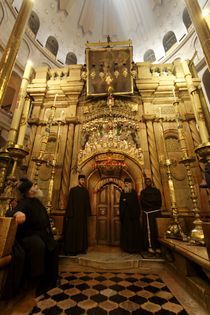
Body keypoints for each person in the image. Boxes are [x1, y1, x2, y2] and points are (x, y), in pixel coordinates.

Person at [5, 178, 59, 296]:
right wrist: (16, 213)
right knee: (38, 246)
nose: (37, 186)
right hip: (29, 235)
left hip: (41, 234)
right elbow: (8, 213)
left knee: (53, 245)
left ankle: (50, 279)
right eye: (34, 185)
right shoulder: (24, 203)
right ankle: (35, 279)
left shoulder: (36, 201)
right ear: (29, 190)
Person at [64, 174, 91, 255]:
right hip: (74, 215)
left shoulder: (85, 191)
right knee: (73, 233)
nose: (82, 181)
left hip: (82, 216)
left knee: (82, 233)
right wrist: (70, 213)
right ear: (78, 180)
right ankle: (73, 250)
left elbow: (87, 203)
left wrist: (88, 213)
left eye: (83, 180)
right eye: (81, 180)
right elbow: (70, 202)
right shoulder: (73, 190)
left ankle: (81, 249)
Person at [119, 178, 142, 253]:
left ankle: (134, 248)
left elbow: (135, 203)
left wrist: (127, 200)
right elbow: (121, 203)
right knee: (127, 232)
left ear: (130, 184)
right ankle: (127, 248)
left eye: (127, 183)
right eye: (125, 183)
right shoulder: (123, 192)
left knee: (134, 232)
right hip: (126, 216)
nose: (126, 184)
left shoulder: (134, 192)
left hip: (133, 216)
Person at [140, 177, 162, 254]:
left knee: (156, 230)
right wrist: (151, 203)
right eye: (146, 181)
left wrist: (151, 203)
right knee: (149, 230)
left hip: (156, 213)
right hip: (147, 213)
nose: (148, 182)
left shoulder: (157, 191)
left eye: (149, 181)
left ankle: (157, 246)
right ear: (145, 183)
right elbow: (143, 202)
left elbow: (158, 201)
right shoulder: (143, 192)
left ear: (151, 182)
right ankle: (150, 246)